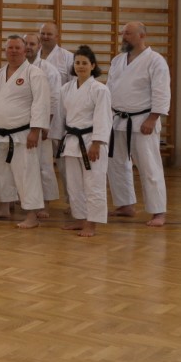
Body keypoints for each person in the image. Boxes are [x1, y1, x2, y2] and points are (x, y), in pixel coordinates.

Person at [106, 21, 171, 227]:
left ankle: (158, 212)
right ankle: (125, 204)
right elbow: (109, 89)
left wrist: (153, 118)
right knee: (116, 164)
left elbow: (162, 92)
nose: (123, 37)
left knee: (150, 167)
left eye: (128, 33)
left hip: (143, 120)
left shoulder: (155, 60)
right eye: (123, 33)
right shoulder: (118, 60)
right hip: (117, 119)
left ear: (142, 36)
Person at [0, 35, 51, 229]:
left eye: (17, 48)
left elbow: (41, 103)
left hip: (23, 134)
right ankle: (4, 207)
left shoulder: (34, 73)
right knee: (0, 173)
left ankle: (32, 215)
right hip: (0, 133)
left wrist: (35, 131)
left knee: (26, 175)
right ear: (5, 51)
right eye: (10, 48)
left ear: (25, 51)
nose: (13, 51)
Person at [55, 45, 112, 237]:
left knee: (93, 184)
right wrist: (58, 139)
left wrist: (97, 143)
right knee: (74, 185)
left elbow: (103, 118)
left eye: (84, 63)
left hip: (91, 142)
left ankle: (91, 224)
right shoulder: (66, 89)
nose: (80, 66)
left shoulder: (100, 90)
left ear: (93, 65)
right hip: (71, 141)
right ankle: (79, 219)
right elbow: (61, 117)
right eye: (77, 62)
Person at [25, 31, 63, 209]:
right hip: (21, 123)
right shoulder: (17, 67)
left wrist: (46, 125)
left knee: (44, 164)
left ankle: (46, 201)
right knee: (25, 164)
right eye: (26, 44)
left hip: (42, 123)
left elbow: (54, 99)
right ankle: (27, 198)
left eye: (32, 44)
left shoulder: (48, 69)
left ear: (39, 46)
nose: (28, 47)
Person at [38, 21, 74, 86]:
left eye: (49, 34)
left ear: (57, 37)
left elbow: (73, 83)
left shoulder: (68, 57)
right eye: (42, 33)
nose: (45, 36)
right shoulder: (32, 55)